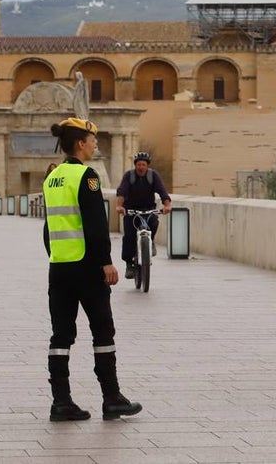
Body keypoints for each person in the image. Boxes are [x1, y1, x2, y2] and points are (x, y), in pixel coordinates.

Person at [42, 117, 141, 422]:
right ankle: (111, 398)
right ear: (81, 144)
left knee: (61, 336)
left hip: (59, 267)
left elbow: (48, 228)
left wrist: (57, 254)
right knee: (102, 331)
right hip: (87, 267)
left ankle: (61, 401)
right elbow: (96, 226)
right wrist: (106, 261)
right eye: (92, 139)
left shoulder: (52, 178)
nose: (96, 144)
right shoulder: (87, 177)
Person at [115, 151, 172, 279]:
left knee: (154, 221)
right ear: (135, 165)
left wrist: (167, 205)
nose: (141, 167)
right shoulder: (129, 176)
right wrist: (119, 206)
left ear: (147, 166)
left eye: (143, 165)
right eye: (139, 164)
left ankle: (150, 242)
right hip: (131, 210)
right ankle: (129, 264)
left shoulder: (153, 176)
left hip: (148, 209)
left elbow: (162, 191)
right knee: (129, 236)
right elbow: (122, 191)